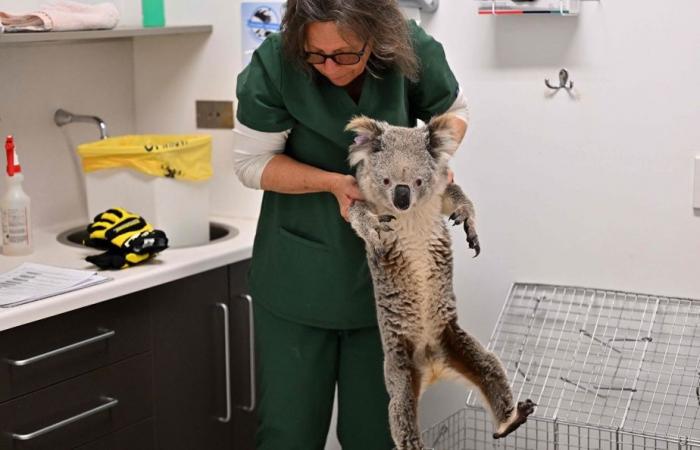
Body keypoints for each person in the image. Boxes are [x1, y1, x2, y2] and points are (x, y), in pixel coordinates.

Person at [233, 1, 469, 448]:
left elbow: (453, 110)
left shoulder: (408, 46)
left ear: (376, 37)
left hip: (390, 281)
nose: (329, 67)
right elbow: (251, 164)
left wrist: (435, 159)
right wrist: (333, 183)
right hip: (297, 277)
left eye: (345, 55)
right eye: (314, 55)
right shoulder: (275, 64)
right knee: (289, 434)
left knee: (377, 433)